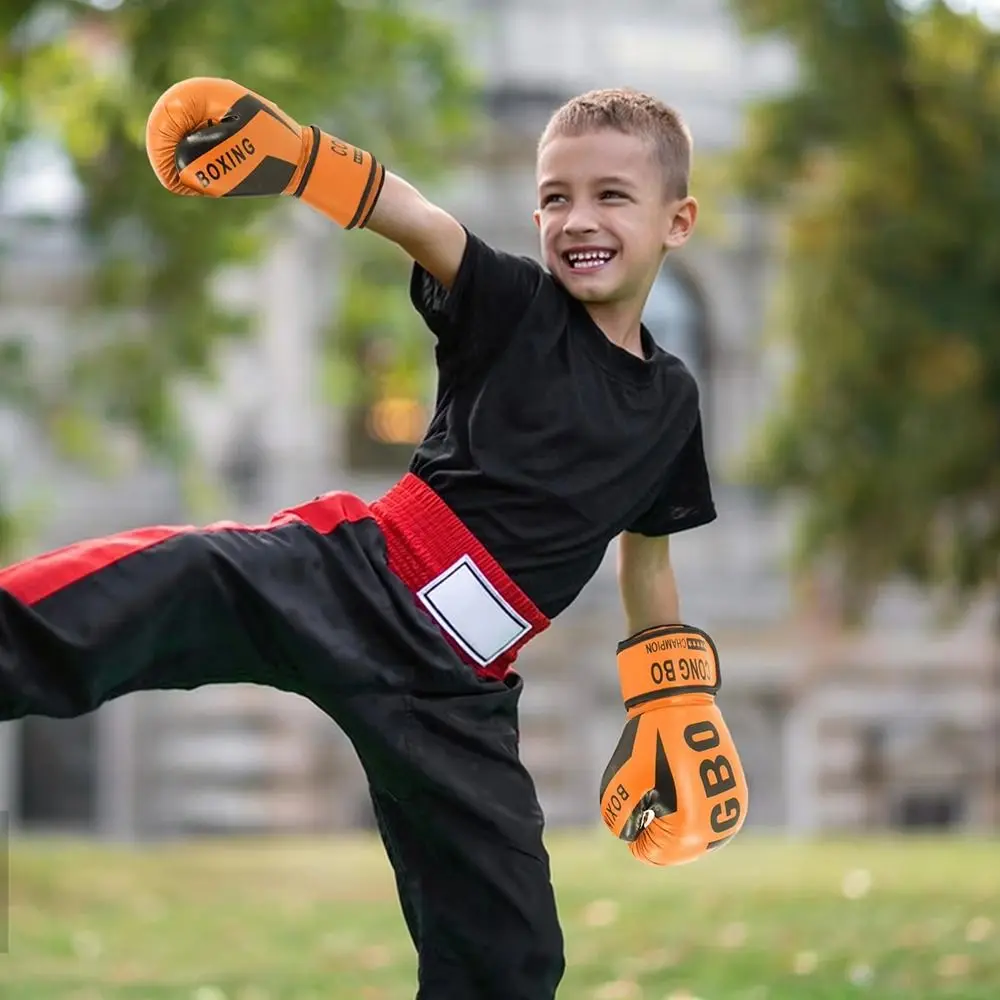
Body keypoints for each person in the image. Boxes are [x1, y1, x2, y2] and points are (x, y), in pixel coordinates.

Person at [0, 78, 748, 999]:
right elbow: (418, 218)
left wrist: (670, 705)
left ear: (679, 221)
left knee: (512, 950)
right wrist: (297, 157)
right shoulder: (513, 304)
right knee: (169, 579)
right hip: (358, 576)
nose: (575, 218)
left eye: (611, 196)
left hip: (459, 690)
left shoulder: (674, 402)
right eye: (555, 196)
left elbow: (649, 555)